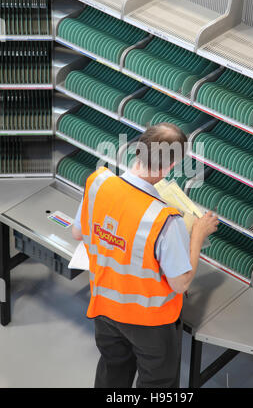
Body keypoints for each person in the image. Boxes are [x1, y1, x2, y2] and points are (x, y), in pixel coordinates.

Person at [72, 123, 218, 388]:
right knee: (157, 383)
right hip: (150, 323)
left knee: (113, 370)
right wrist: (197, 235)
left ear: (137, 149)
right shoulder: (165, 220)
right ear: (171, 167)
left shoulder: (98, 184)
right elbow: (181, 284)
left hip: (104, 307)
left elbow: (78, 233)